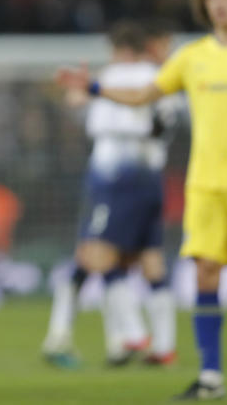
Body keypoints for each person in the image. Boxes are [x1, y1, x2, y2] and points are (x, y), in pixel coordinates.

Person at [56, 0, 227, 400]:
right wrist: (96, 88)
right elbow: (143, 95)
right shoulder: (193, 57)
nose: (218, 3)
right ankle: (211, 377)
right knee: (206, 274)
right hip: (205, 187)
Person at [43, 22, 177, 368]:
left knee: (95, 252)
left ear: (120, 49)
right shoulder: (161, 76)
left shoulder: (115, 75)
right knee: (149, 257)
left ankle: (130, 333)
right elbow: (165, 121)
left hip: (116, 178)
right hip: (151, 178)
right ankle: (164, 345)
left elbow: (77, 100)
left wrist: (77, 89)